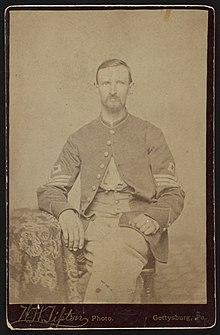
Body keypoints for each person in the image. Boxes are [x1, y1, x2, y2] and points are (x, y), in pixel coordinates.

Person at [37, 59, 185, 303]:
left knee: (114, 256)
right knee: (114, 267)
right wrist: (65, 213)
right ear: (96, 86)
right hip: (93, 226)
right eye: (106, 82)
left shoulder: (151, 133)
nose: (113, 89)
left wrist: (154, 217)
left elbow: (173, 192)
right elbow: (50, 189)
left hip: (136, 225)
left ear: (131, 87)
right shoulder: (79, 138)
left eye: (120, 82)